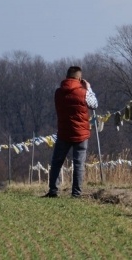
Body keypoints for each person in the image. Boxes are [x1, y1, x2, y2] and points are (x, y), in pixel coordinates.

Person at [45, 66, 98, 198]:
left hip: (64, 132)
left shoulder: (58, 92)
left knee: (57, 162)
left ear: (67, 76)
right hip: (81, 133)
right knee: (78, 164)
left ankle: (53, 190)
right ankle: (76, 193)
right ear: (79, 78)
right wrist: (88, 88)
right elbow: (94, 105)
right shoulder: (83, 92)